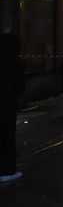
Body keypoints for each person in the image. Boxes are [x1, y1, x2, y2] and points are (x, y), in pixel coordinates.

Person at [0, 33, 24, 183]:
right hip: (8, 105)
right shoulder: (15, 63)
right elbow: (20, 86)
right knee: (8, 136)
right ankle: (7, 170)